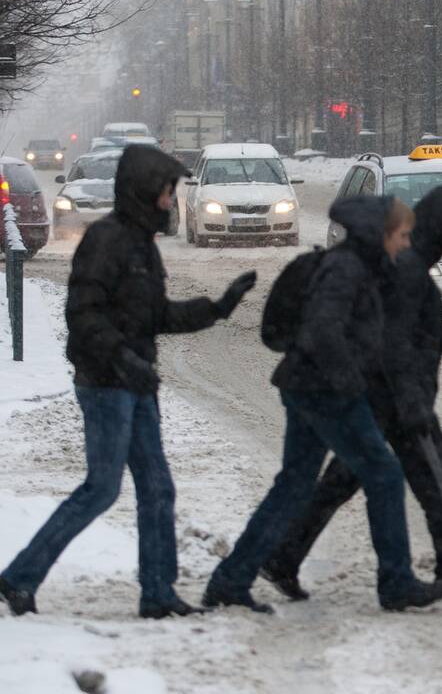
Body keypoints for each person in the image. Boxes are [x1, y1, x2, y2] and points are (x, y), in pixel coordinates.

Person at [0, 144, 257, 619]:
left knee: (158, 488)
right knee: (102, 488)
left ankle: (157, 593)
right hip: (105, 385)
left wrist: (216, 308)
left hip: (137, 383)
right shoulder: (105, 241)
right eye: (165, 191)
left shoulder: (141, 244)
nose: (169, 200)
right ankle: (19, 577)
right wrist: (122, 359)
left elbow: (154, 316)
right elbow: (83, 314)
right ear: (143, 192)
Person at [203, 194, 442, 614]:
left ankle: (231, 579)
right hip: (324, 390)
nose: (407, 244)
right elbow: (322, 329)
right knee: (385, 474)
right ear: (381, 234)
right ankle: (397, 583)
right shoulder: (347, 268)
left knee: (295, 485)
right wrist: (350, 384)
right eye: (402, 236)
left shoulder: (361, 266)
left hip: (307, 385)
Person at [261, 186, 442, 600]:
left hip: (376, 395)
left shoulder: (410, 264)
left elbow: (413, 325)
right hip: (399, 400)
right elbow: (394, 342)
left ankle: (283, 556)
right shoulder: (408, 269)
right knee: (440, 478)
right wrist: (413, 405)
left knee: (339, 482)